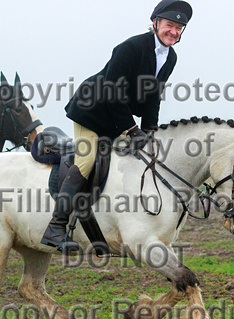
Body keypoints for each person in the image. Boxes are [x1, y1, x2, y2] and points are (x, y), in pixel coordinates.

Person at [41, 0, 193, 252]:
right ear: (155, 22)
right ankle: (55, 228)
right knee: (87, 160)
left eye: (179, 28)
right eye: (169, 25)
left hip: (115, 118)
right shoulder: (130, 48)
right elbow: (113, 92)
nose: (174, 32)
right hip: (92, 111)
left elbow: (153, 96)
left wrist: (150, 131)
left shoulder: (170, 57)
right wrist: (132, 130)